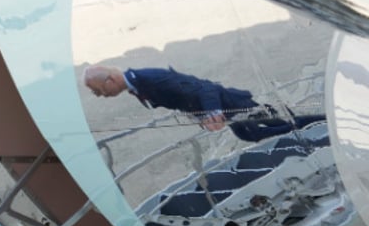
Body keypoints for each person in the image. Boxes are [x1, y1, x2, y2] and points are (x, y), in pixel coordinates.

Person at [83, 64, 325, 143]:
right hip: (227, 106)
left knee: (275, 125)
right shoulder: (137, 85)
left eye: (99, 90)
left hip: (232, 103)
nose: (101, 96)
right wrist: (199, 116)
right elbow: (183, 98)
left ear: (111, 79)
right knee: (252, 134)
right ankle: (318, 126)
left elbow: (203, 88)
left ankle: (326, 123)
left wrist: (213, 112)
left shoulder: (148, 79)